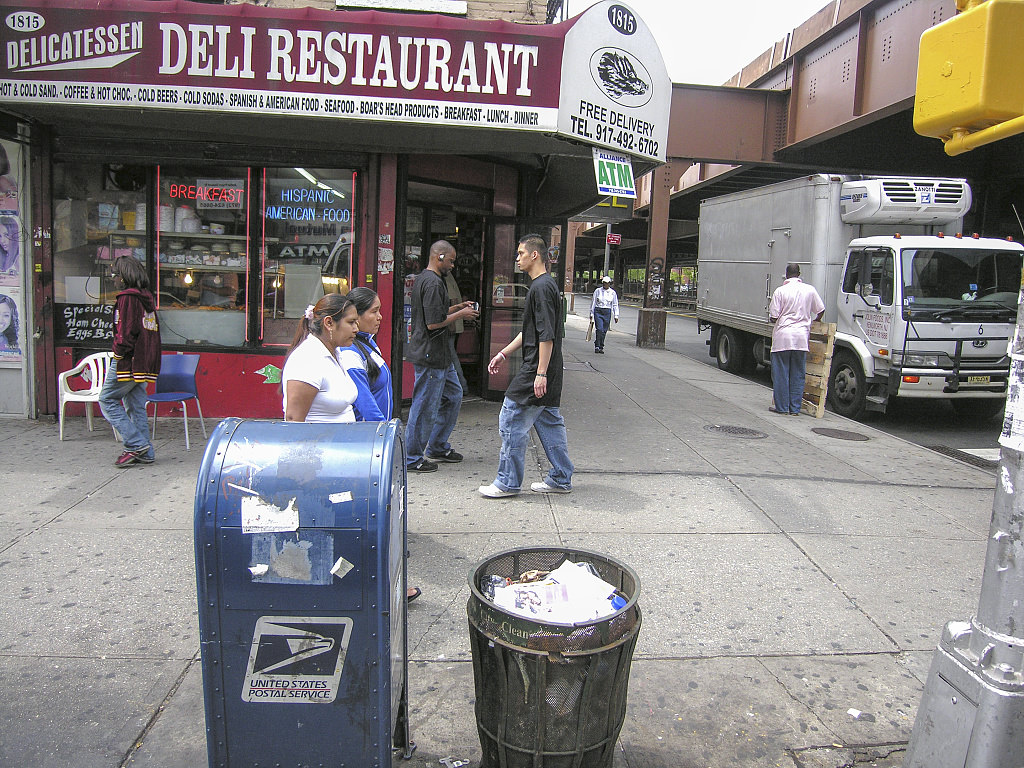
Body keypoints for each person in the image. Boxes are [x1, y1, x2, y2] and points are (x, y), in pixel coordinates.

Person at [338, 286, 422, 603]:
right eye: (373, 311)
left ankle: (387, 587)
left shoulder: (365, 345)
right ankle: (384, 591)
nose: (380, 316)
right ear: (354, 317)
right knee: (372, 521)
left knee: (381, 518)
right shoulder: (350, 353)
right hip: (367, 447)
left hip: (375, 444)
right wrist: (385, 437)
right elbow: (366, 406)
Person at [479, 234, 574, 498]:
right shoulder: (545, 286)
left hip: (538, 369)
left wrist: (540, 373)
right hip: (549, 368)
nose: (516, 258)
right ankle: (561, 477)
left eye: (520, 253)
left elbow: (546, 335)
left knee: (510, 417)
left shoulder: (541, 288)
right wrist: (503, 353)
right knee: (549, 421)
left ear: (535, 255)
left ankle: (507, 482)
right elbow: (530, 331)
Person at [404, 239, 479, 473]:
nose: (453, 265)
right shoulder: (434, 283)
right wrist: (462, 315)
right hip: (431, 355)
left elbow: (435, 312)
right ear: (439, 257)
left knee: (454, 395)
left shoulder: (427, 280)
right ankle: (412, 457)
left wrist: (457, 308)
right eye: (451, 260)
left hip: (438, 355)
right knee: (424, 405)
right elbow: (433, 322)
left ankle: (436, 446)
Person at [99, 256, 162, 468]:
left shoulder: (127, 298)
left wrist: (118, 354)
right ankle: (146, 452)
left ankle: (135, 445)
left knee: (106, 400)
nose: (113, 278)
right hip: (146, 360)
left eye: (115, 274)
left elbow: (126, 333)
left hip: (130, 360)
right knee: (135, 405)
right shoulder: (146, 297)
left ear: (124, 277)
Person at [282, 293, 360, 423]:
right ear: (329, 323)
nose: (356, 329)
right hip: (317, 442)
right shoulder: (307, 359)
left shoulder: (336, 354)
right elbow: (293, 420)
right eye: (351, 322)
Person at [768, 263, 825, 416]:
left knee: (781, 374)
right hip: (801, 338)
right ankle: (795, 409)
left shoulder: (780, 291)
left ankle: (781, 408)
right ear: (799, 274)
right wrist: (814, 321)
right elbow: (821, 310)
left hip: (783, 338)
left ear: (786, 275)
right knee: (798, 374)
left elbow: (773, 317)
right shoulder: (810, 290)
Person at [589, 275, 619, 353]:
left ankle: (601, 345)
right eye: (604, 283)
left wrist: (616, 315)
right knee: (599, 329)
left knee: (604, 331)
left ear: (609, 283)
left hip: (607, 311)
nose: (605, 285)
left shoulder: (612, 293)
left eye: (607, 283)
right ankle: (597, 346)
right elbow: (594, 302)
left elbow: (615, 304)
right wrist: (591, 313)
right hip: (598, 310)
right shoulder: (598, 291)